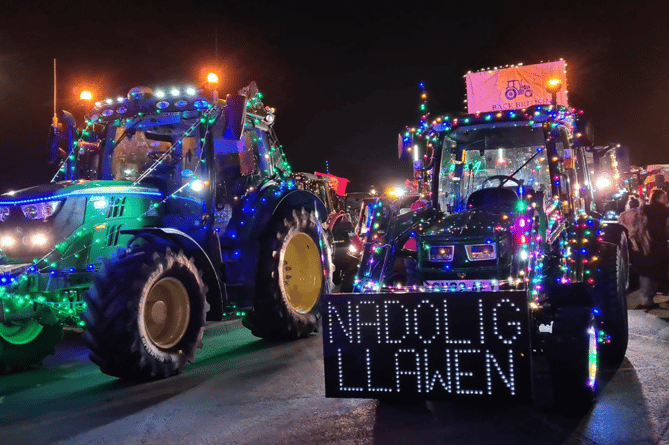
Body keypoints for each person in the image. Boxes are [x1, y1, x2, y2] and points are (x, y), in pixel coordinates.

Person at [629, 188, 669, 310]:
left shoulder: (643, 210)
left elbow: (636, 227)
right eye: (664, 197)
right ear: (658, 198)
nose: (666, 199)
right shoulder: (665, 211)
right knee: (661, 271)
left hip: (645, 246)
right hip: (660, 247)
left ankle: (646, 299)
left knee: (645, 272)